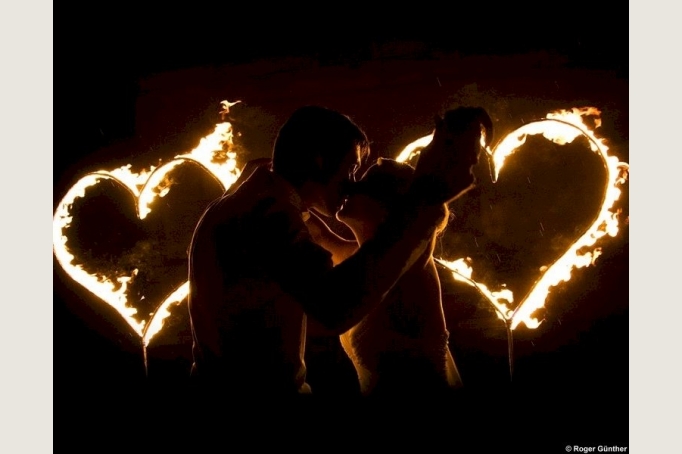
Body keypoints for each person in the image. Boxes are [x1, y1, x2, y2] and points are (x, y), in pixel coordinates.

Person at [186, 105, 492, 401]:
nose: (352, 184)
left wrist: (425, 199)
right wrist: (424, 199)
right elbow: (333, 306)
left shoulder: (255, 196)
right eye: (352, 167)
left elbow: (334, 255)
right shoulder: (270, 214)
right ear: (320, 160)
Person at [305, 158, 463, 399]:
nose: (350, 186)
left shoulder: (411, 265)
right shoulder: (364, 261)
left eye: (368, 183)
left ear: (392, 208)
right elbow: (314, 232)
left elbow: (427, 212)